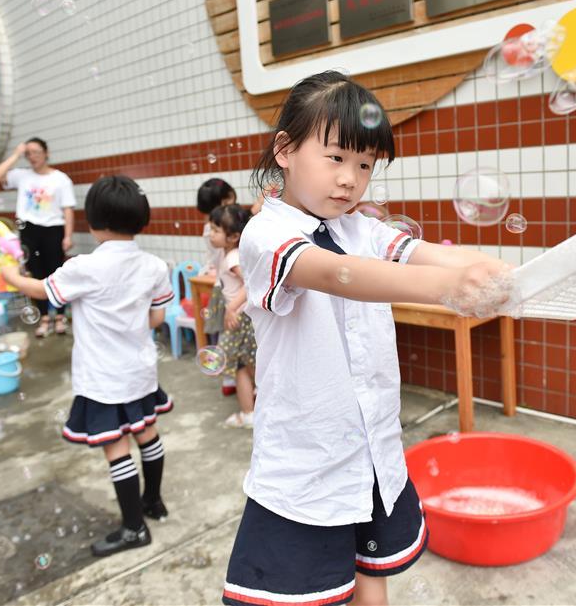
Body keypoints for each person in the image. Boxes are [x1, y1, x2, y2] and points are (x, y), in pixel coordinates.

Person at [222, 71, 512, 605]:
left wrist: (499, 271)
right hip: (306, 464)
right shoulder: (265, 234)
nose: (350, 180)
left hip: (374, 453)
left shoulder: (362, 228)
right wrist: (450, 287)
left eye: (364, 165)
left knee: (369, 575)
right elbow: (337, 275)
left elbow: (430, 254)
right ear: (285, 150)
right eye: (335, 158)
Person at [1, 175, 174, 558]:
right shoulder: (154, 266)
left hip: (103, 378)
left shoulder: (82, 267)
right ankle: (154, 503)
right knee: (147, 433)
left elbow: (42, 290)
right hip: (140, 370)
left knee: (116, 447)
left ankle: (133, 529)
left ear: (92, 223)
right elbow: (157, 318)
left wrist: (11, 274)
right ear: (141, 219)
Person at [0, 138, 75, 337]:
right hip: (29, 229)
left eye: (36, 152)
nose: (32, 157)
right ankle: (44, 317)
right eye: (28, 153)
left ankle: (60, 317)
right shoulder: (22, 176)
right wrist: (16, 154)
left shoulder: (61, 179)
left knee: (55, 272)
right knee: (34, 272)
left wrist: (68, 235)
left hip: (53, 228)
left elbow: (68, 209)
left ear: (46, 153)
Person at [206, 204, 255, 428]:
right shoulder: (228, 253)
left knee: (239, 368)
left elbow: (250, 285)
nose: (210, 233)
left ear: (234, 236)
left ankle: (248, 413)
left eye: (216, 230)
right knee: (249, 363)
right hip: (244, 317)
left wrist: (231, 308)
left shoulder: (232, 257)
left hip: (239, 318)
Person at [196, 178, 238, 396]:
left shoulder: (211, 227)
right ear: (226, 200)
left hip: (223, 286)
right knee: (231, 335)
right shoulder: (220, 230)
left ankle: (230, 380)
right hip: (230, 290)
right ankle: (233, 378)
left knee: (226, 335)